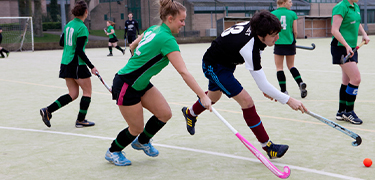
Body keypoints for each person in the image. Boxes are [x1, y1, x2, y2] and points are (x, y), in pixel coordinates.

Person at [181, 10, 307, 159]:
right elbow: (262, 83)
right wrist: (288, 100)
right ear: (261, 36)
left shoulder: (258, 28)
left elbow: (261, 80)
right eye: (273, 35)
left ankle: (190, 113)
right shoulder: (250, 47)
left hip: (226, 62)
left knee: (214, 96)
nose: (277, 38)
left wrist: (267, 89)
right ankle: (268, 146)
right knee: (247, 102)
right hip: (214, 65)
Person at [104, 0, 212, 166]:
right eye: (181, 20)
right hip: (127, 84)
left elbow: (133, 46)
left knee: (164, 113)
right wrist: (202, 97)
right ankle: (113, 151)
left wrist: (138, 64)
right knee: (136, 128)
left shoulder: (154, 29)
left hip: (139, 83)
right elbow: (183, 72)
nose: (183, 24)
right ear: (170, 19)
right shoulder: (167, 40)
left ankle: (142, 142)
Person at [39, 0, 98, 128]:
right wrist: (91, 66)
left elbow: (62, 42)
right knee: (87, 92)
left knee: (73, 94)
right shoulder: (82, 28)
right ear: (86, 12)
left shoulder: (68, 25)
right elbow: (79, 51)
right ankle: (81, 120)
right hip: (77, 64)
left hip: (65, 62)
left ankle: (48, 110)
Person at [331, 0, 370, 124]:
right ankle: (349, 112)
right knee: (356, 79)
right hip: (341, 47)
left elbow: (356, 23)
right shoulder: (340, 7)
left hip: (351, 47)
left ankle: (341, 111)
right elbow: (334, 30)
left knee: (346, 81)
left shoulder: (355, 6)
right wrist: (346, 45)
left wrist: (364, 33)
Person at [271, 0, 307, 98]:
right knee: (291, 66)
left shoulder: (273, 14)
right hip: (290, 43)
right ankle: (300, 83)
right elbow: (295, 31)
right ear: (283, 3)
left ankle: (284, 91)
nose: (291, 4)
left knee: (279, 68)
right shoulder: (292, 14)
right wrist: (293, 40)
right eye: (290, 2)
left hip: (278, 43)